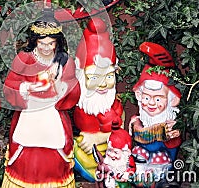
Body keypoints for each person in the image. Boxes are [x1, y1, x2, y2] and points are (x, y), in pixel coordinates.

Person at [2, 8, 81, 188]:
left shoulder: (64, 62)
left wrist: (60, 84)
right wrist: (24, 88)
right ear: (35, 41)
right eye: (42, 43)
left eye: (51, 44)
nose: (46, 48)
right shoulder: (24, 58)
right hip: (29, 113)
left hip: (52, 113)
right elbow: (10, 85)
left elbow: (73, 90)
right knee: (26, 150)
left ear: (57, 43)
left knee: (53, 152)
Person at [73, 17, 124, 182]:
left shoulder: (114, 106)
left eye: (108, 76)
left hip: (110, 153)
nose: (102, 84)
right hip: (85, 150)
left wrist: (98, 138)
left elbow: (121, 133)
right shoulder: (81, 103)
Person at [129, 42, 182, 187]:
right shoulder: (139, 120)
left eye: (158, 99)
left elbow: (171, 146)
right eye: (147, 97)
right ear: (139, 95)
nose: (151, 103)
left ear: (173, 100)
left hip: (163, 165)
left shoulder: (172, 126)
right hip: (143, 161)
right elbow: (137, 133)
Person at [94, 121, 136, 188]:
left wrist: (127, 174)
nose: (111, 155)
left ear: (125, 152)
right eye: (110, 150)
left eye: (116, 152)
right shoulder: (107, 160)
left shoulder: (127, 160)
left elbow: (132, 168)